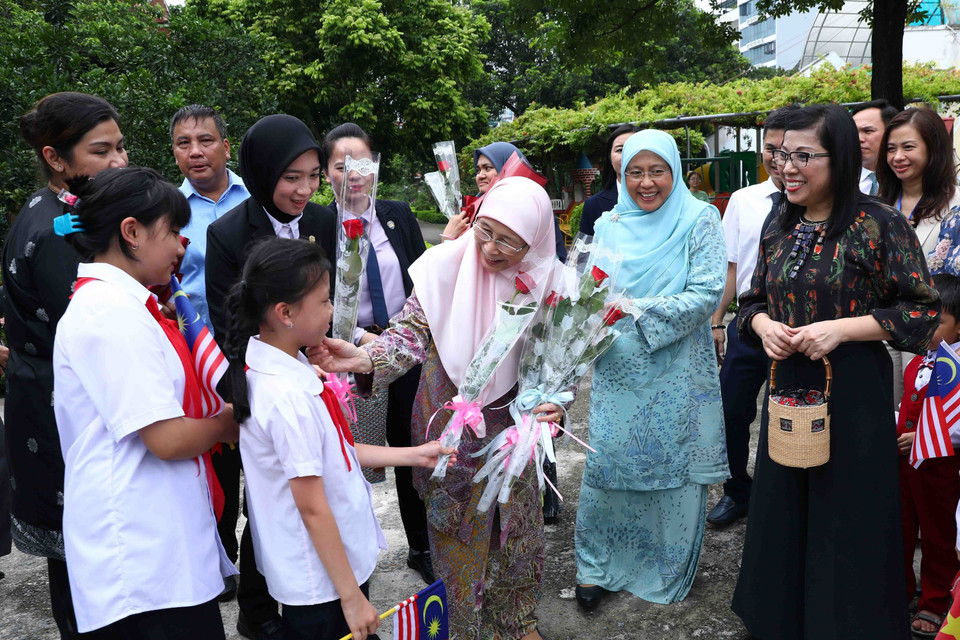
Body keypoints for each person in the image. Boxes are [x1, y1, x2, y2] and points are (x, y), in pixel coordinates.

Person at [314, 176, 564, 640]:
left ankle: (516, 622)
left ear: (534, 241)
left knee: (516, 531)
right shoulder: (446, 264)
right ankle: (464, 626)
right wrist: (368, 357)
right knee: (455, 531)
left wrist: (554, 403)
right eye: (486, 231)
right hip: (449, 422)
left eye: (510, 242)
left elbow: (560, 361)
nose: (491, 249)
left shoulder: (551, 281)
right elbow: (409, 332)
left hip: (515, 427)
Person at [731, 104, 940, 640]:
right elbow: (751, 300)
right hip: (788, 385)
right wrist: (762, 327)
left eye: (805, 155)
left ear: (841, 157)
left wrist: (843, 329)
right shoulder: (780, 222)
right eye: (780, 154)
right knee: (784, 507)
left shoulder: (879, 223)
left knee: (847, 511)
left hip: (851, 390)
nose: (787, 167)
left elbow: (922, 310)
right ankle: (782, 619)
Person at [220, 236, 451, 640]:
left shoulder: (280, 365)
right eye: (325, 301)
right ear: (285, 313)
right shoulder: (287, 396)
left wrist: (416, 454)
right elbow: (311, 507)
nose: (333, 310)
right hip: (322, 582)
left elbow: (335, 452)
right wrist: (351, 598)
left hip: (326, 569)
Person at [52, 166, 239, 636]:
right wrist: (233, 420)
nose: (183, 245)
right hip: (140, 555)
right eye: (174, 231)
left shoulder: (129, 305)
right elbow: (167, 437)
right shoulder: (110, 315)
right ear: (131, 232)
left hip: (159, 539)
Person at [573, 130, 727, 610]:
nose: (645, 182)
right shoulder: (610, 224)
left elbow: (706, 293)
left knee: (673, 471)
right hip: (618, 368)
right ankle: (594, 567)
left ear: (674, 171)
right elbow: (590, 289)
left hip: (677, 366)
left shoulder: (701, 219)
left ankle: (662, 564)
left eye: (656, 170)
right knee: (608, 466)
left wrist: (635, 308)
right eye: (635, 171)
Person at [205, 114, 337, 640]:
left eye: (312, 176)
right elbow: (226, 321)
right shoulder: (228, 232)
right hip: (259, 382)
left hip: (312, 375)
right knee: (265, 500)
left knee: (314, 486)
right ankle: (257, 611)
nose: (304, 190)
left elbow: (326, 298)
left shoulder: (323, 221)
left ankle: (313, 586)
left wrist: (321, 351)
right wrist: (265, 380)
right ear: (262, 173)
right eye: (291, 178)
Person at [2, 91, 127, 637]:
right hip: (61, 414)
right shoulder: (59, 233)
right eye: (101, 151)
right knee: (84, 569)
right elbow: (97, 334)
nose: (119, 161)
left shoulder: (55, 212)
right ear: (56, 158)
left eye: (120, 148)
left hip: (46, 400)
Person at [320, 122, 433, 583]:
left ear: (375, 166)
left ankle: (421, 547)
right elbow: (317, 296)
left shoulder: (397, 213)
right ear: (326, 172)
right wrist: (364, 339)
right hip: (349, 357)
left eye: (362, 163)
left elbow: (424, 280)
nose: (353, 174)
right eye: (341, 165)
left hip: (405, 352)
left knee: (411, 447)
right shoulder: (318, 223)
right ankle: (354, 555)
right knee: (356, 458)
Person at [170, 103, 250, 603]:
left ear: (226, 143)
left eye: (205, 140)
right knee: (216, 460)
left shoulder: (258, 196)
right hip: (201, 355)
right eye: (183, 143)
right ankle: (221, 559)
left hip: (259, 347)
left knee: (263, 451)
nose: (195, 152)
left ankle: (262, 551)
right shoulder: (169, 211)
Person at [706, 105, 798, 527]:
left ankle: (784, 498)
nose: (778, 158)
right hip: (748, 325)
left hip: (798, 328)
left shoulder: (824, 202)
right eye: (770, 148)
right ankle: (737, 491)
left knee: (791, 414)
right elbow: (731, 266)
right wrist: (716, 320)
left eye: (788, 149)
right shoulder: (744, 200)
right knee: (731, 409)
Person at [895, 273, 960, 638]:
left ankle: (935, 600)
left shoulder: (956, 369)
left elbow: (955, 420)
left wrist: (924, 435)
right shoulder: (919, 358)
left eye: (939, 320)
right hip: (905, 463)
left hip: (940, 466)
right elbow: (906, 404)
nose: (928, 326)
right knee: (901, 525)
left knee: (937, 532)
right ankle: (901, 589)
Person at [446, 142, 567, 262]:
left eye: (487, 168)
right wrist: (449, 238)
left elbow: (552, 263)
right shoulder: (473, 211)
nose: (480, 176)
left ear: (509, 167)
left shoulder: (535, 215)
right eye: (478, 170)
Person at [580, 124, 639, 236]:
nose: (627, 155)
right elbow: (585, 251)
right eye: (620, 150)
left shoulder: (662, 200)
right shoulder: (593, 205)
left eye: (633, 149)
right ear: (610, 157)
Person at [851, 99, 898, 195]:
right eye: (854, 132)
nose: (859, 138)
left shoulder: (905, 180)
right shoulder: (839, 182)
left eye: (868, 131)